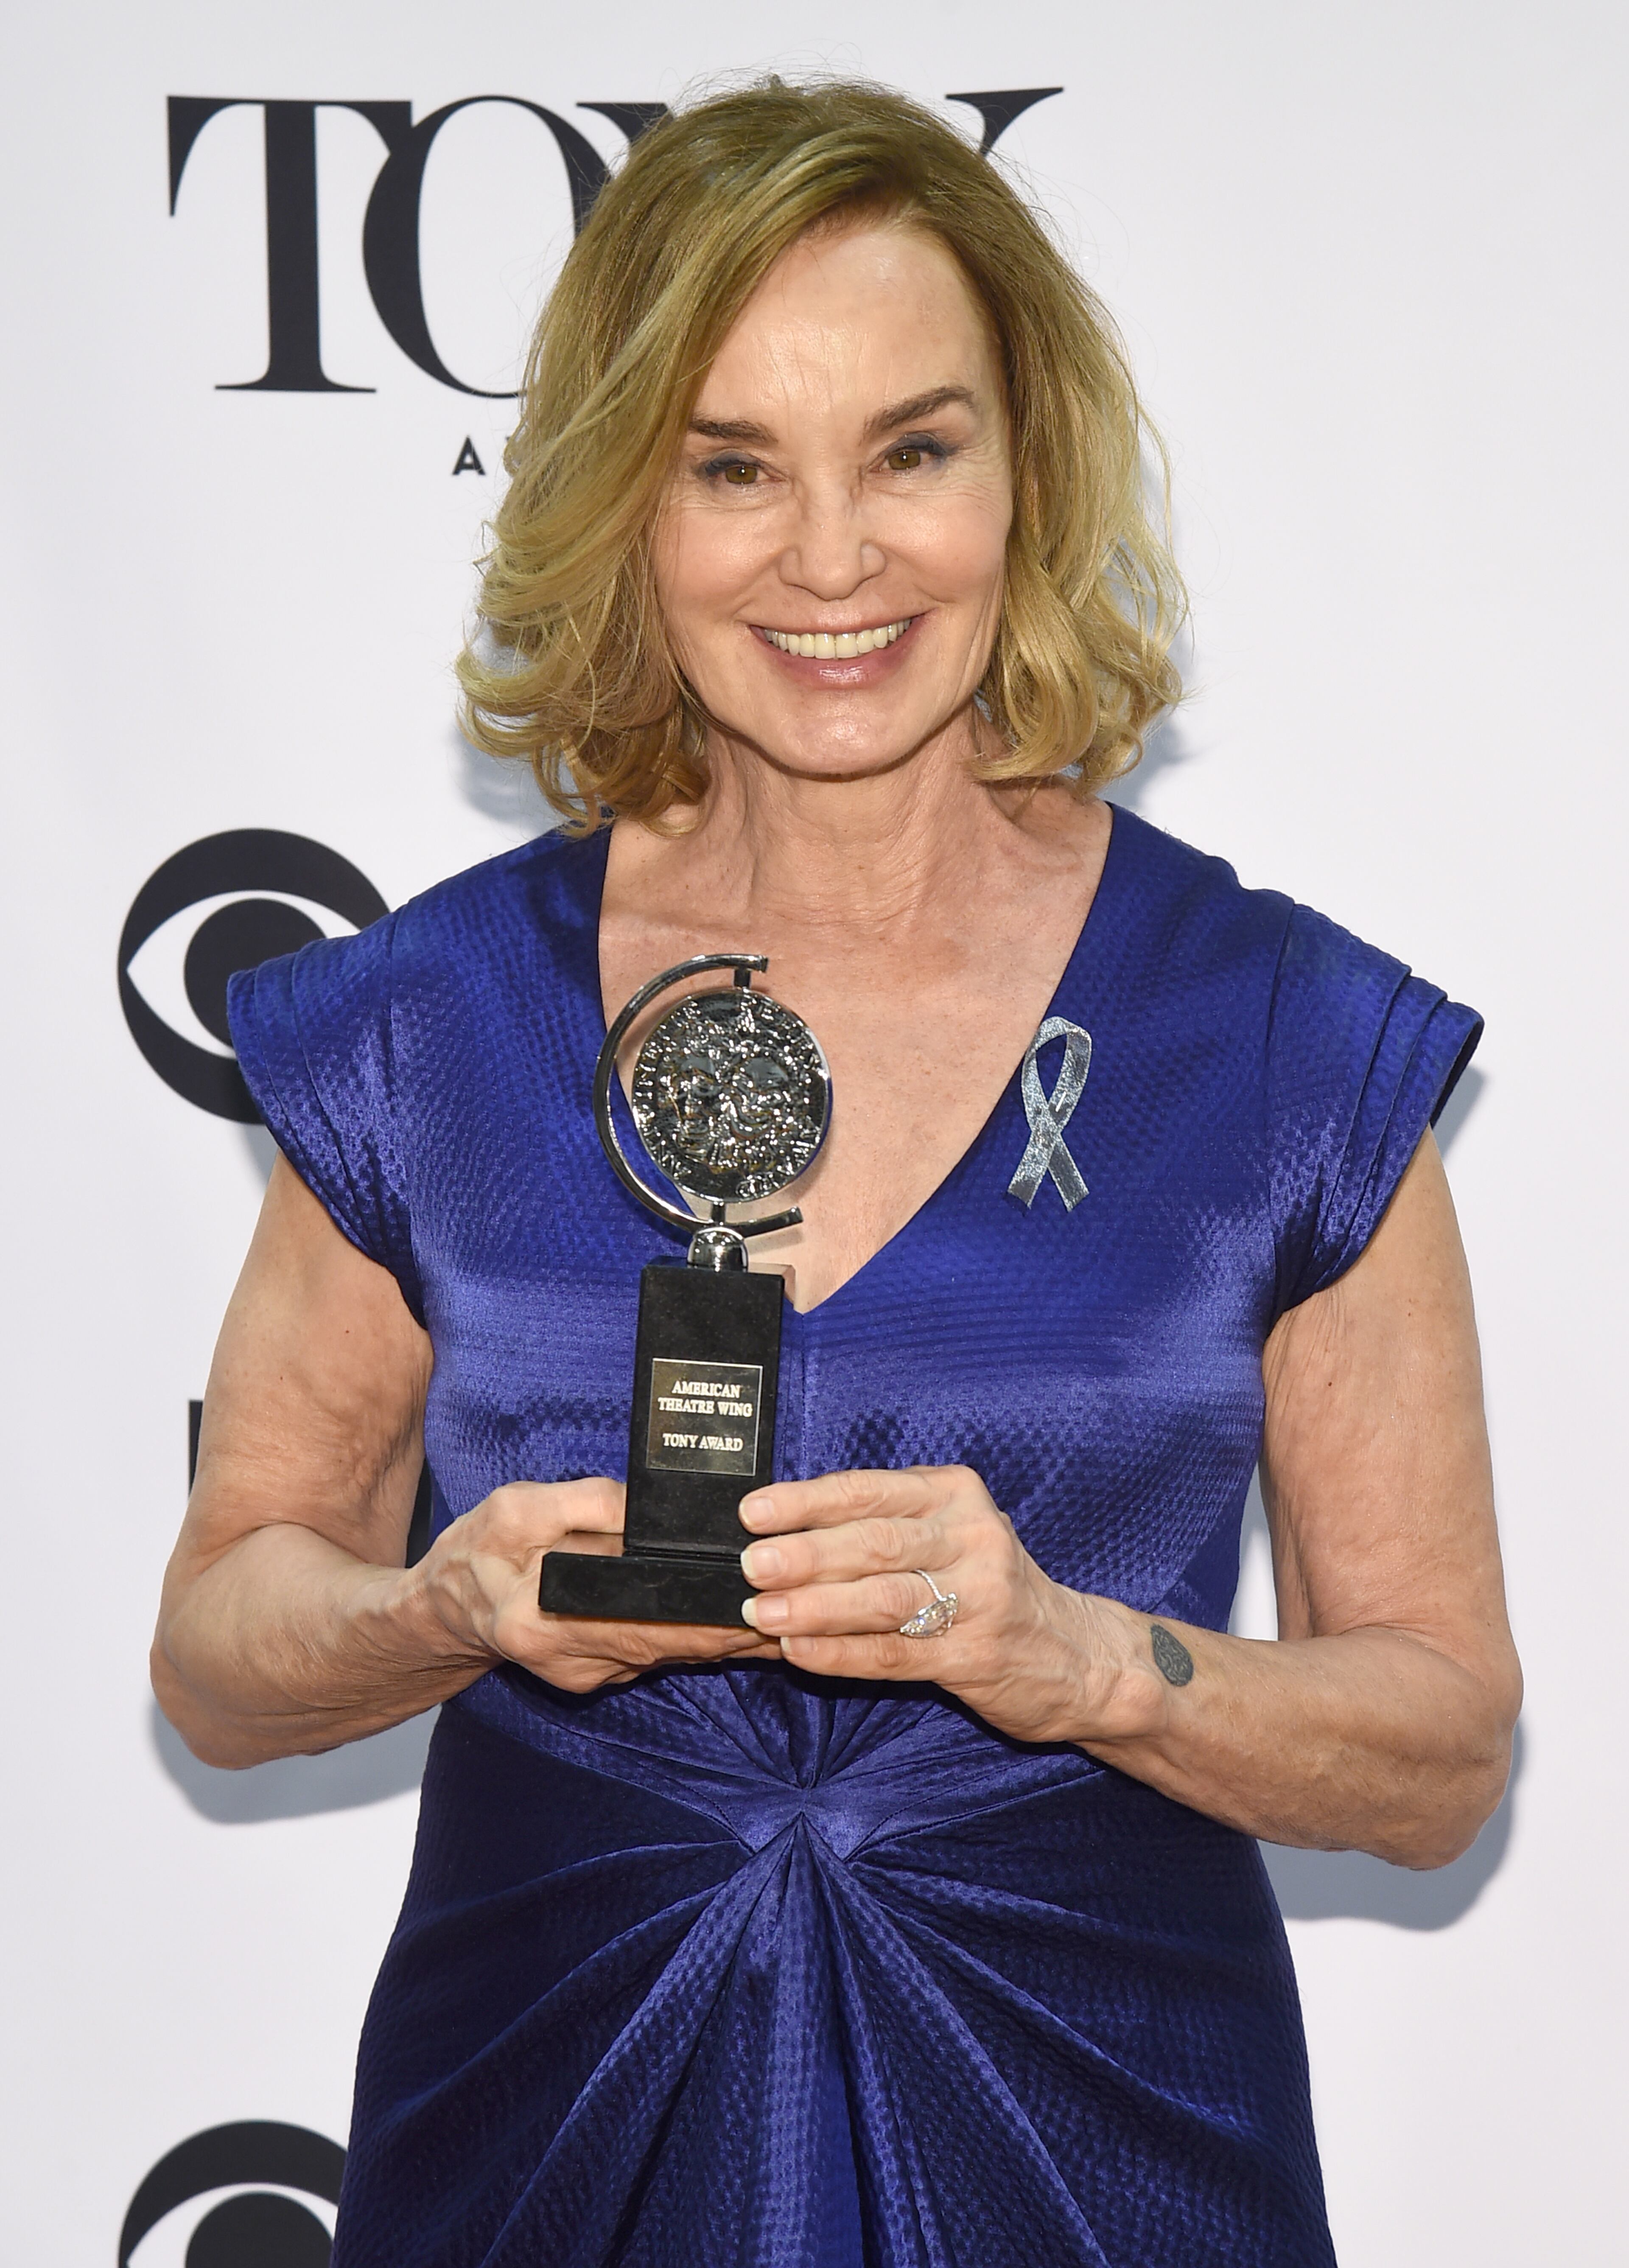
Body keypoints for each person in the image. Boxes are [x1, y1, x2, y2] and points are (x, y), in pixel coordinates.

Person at [151, 79, 1521, 2268]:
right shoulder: (426, 1028)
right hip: (550, 2137)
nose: (830, 558)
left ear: (1027, 473)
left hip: (1100, 2157)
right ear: (628, 504)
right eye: (732, 466)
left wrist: (1079, 1659)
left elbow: (1444, 1743)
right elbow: (219, 1656)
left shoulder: (1273, 1037)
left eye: (913, 448)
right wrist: (441, 1605)